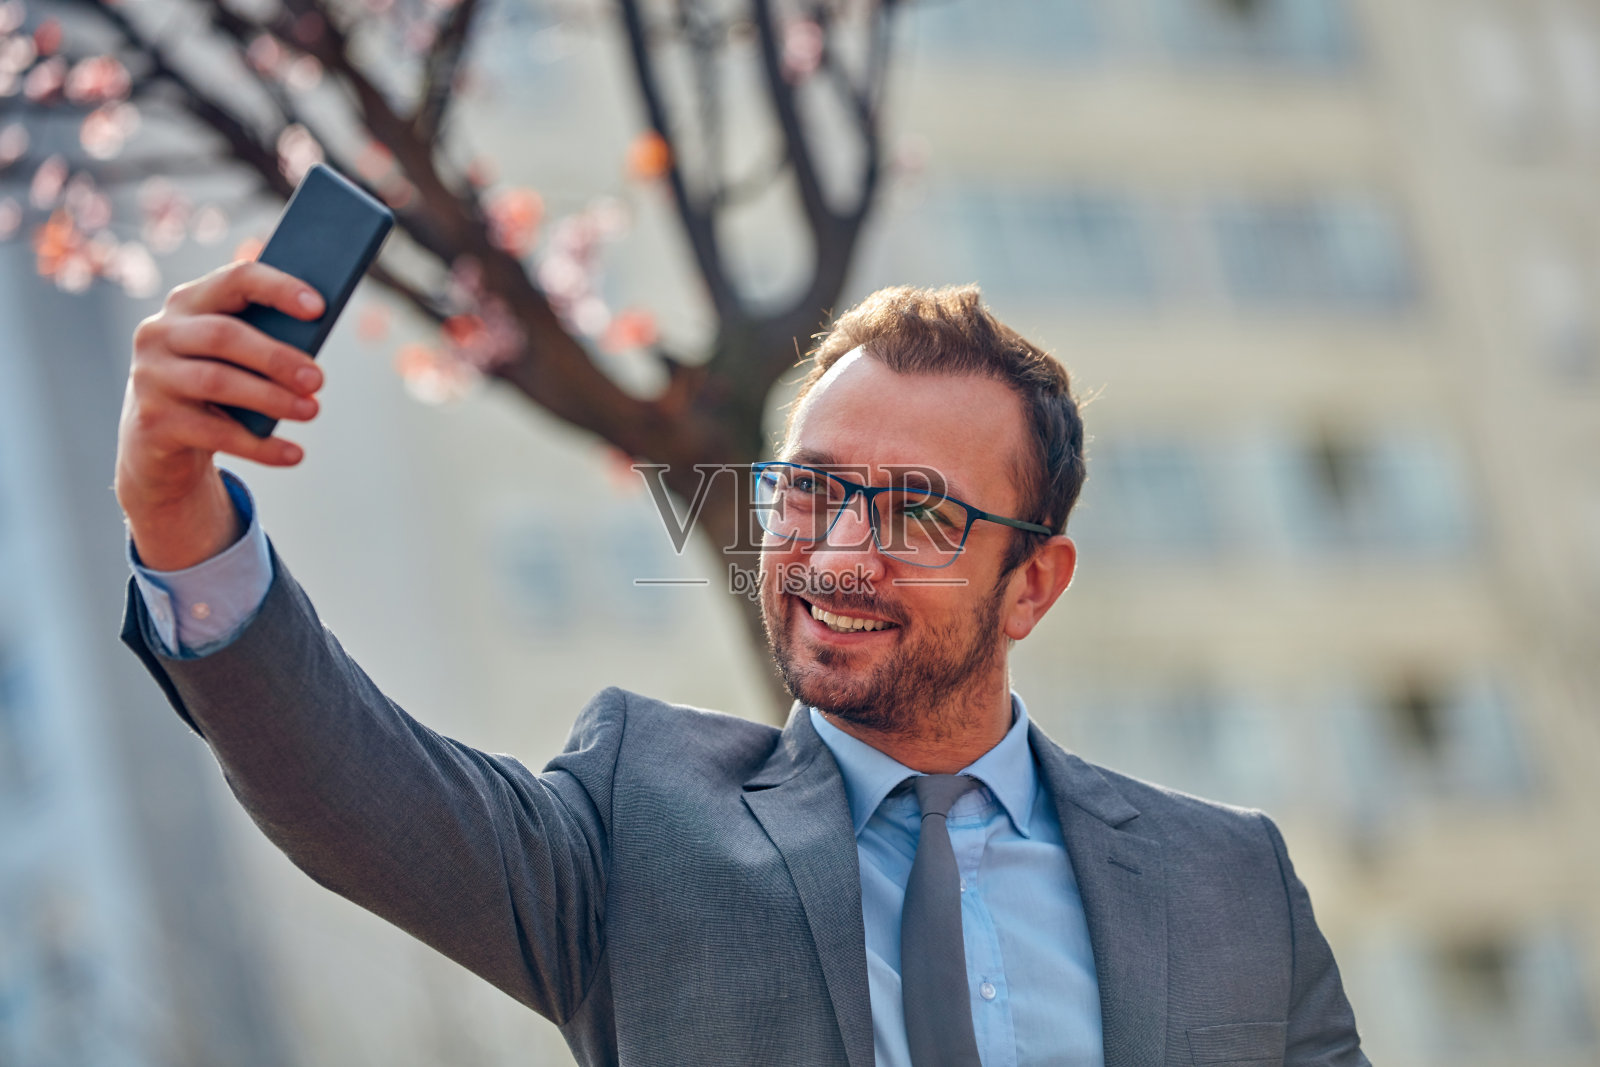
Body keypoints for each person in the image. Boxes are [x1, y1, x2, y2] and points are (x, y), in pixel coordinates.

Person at [115, 261, 1370, 1067]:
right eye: (810, 491)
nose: (837, 551)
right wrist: (181, 515)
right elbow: (354, 791)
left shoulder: (1227, 879)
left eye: (917, 512)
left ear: (1031, 582)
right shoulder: (638, 821)